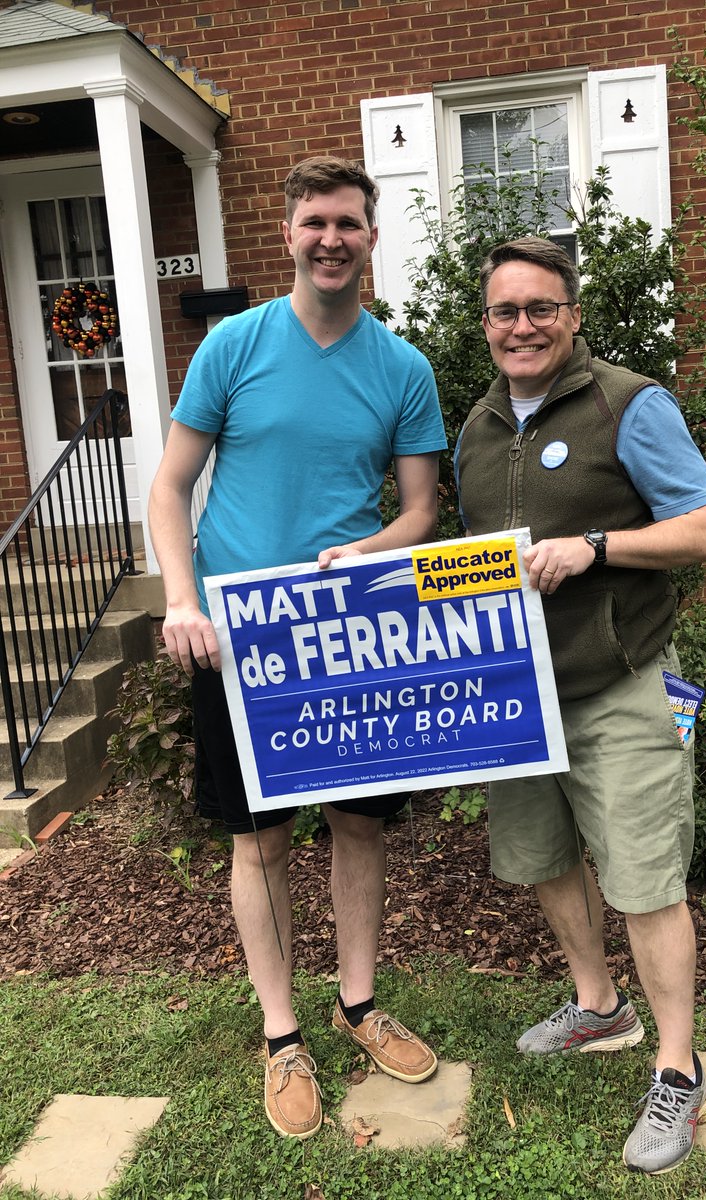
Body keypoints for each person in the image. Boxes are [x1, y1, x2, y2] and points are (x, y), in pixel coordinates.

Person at [148, 156, 447, 1140]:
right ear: (288, 234)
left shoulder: (402, 368)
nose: (331, 239)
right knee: (260, 838)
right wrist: (183, 598)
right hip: (238, 639)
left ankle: (357, 1005)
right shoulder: (234, 347)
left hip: (352, 634)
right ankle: (283, 1035)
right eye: (315, 221)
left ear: (370, 238)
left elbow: (419, 511)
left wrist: (367, 550)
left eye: (348, 224)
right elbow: (169, 486)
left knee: (360, 827)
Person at [454, 236, 706, 1176]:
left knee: (647, 878)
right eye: (504, 312)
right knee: (541, 858)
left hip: (626, 686)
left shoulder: (629, 402)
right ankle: (598, 1004)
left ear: (572, 315)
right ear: (485, 324)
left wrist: (595, 547)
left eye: (541, 308)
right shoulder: (478, 429)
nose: (522, 326)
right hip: (518, 697)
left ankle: (678, 1068)